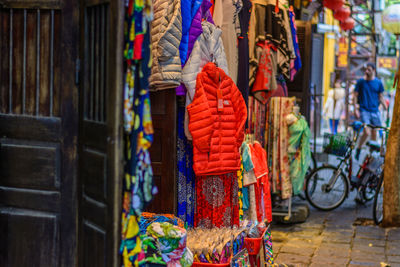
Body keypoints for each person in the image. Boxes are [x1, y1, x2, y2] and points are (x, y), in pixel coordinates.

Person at [353, 63, 387, 160]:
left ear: (373, 71)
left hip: (375, 111)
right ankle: (359, 149)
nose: (366, 71)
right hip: (364, 110)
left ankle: (372, 156)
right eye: (366, 70)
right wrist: (355, 108)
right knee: (367, 132)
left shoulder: (378, 83)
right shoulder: (361, 82)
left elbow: (381, 96)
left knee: (374, 133)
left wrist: (386, 108)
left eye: (369, 70)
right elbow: (355, 95)